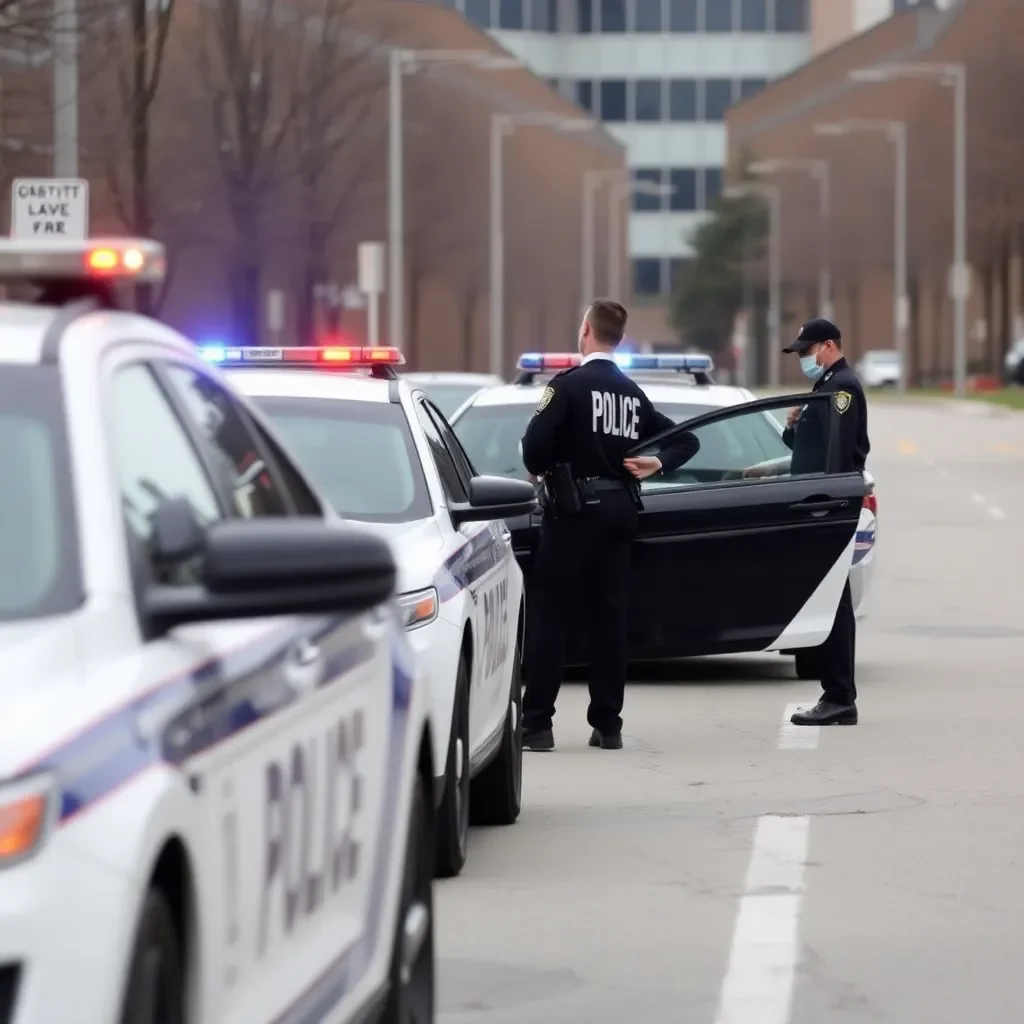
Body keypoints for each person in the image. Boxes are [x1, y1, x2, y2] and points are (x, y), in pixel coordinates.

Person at [519, 300, 700, 752]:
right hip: (621, 510)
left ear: (585, 330)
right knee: (609, 618)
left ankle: (537, 724)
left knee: (551, 617)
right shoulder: (630, 393)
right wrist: (657, 463)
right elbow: (688, 438)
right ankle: (608, 725)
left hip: (575, 511)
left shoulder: (568, 388)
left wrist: (546, 464)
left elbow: (533, 450)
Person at [781, 317, 870, 726]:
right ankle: (837, 693)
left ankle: (838, 695)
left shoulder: (842, 388)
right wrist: (792, 428)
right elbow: (812, 447)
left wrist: (829, 506)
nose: (804, 357)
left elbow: (838, 454)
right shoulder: (826, 386)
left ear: (829, 345)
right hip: (819, 504)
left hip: (828, 507)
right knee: (830, 601)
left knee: (834, 603)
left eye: (807, 350)